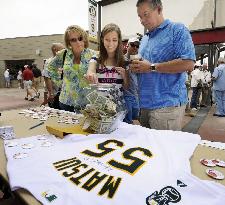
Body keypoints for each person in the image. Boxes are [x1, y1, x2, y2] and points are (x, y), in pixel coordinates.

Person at [129, 0, 195, 131]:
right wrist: (137, 68)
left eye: (146, 14)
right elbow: (145, 67)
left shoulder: (177, 30)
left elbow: (189, 63)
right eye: (139, 16)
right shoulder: (146, 38)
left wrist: (151, 67)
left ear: (159, 9)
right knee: (149, 149)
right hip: (145, 105)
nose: (142, 20)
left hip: (167, 105)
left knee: (165, 149)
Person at [48, 25, 96, 112]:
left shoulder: (93, 55)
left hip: (87, 103)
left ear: (84, 39)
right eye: (73, 40)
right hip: (66, 101)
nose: (78, 42)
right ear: (69, 42)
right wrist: (59, 82)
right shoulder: (63, 54)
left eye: (80, 38)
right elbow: (50, 67)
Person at [86, 23, 129, 102]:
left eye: (114, 40)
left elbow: (127, 88)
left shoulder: (124, 61)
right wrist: (91, 75)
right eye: (107, 40)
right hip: (99, 105)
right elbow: (90, 70)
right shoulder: (96, 58)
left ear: (119, 40)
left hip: (118, 106)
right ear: (102, 40)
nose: (110, 44)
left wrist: (125, 77)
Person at [42, 43, 65, 109]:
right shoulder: (49, 62)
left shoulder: (64, 61)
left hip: (65, 94)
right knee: (57, 112)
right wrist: (51, 94)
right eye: (62, 49)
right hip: (56, 94)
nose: (65, 51)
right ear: (55, 50)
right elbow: (47, 78)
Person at [123, 37, 140, 124]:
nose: (135, 48)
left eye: (137, 46)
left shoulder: (139, 61)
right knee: (127, 122)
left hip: (136, 95)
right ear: (127, 45)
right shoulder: (121, 59)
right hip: (126, 96)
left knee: (135, 118)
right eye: (133, 45)